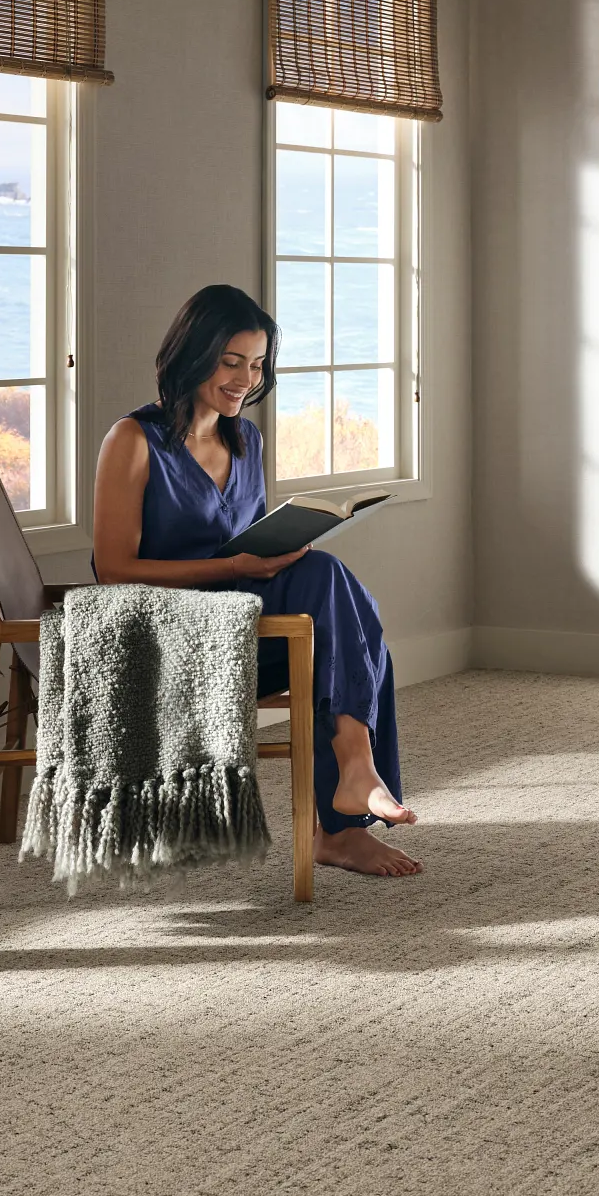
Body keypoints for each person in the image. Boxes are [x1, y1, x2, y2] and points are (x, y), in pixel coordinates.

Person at [92, 283, 421, 879]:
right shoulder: (134, 441)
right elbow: (113, 569)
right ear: (193, 355)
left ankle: (348, 798)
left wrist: (275, 550)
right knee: (348, 622)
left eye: (257, 363)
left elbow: (252, 546)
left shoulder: (246, 439)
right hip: (170, 635)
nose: (245, 378)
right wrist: (235, 567)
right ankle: (346, 811)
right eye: (230, 361)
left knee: (347, 623)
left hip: (242, 621)